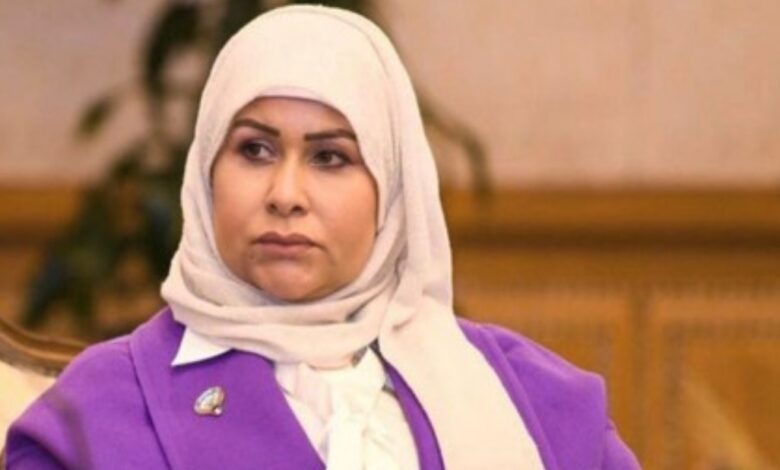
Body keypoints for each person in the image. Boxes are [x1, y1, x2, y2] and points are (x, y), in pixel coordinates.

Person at [4, 5, 639, 469]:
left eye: (330, 157)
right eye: (254, 150)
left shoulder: (536, 401)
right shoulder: (99, 415)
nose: (286, 193)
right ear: (205, 177)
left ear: (390, 193)